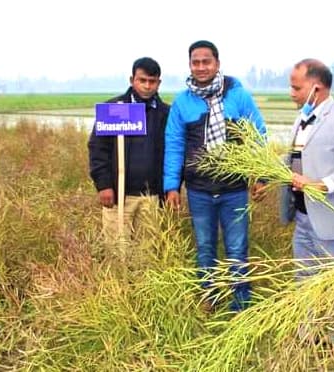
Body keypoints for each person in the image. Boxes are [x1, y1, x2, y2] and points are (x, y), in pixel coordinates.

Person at [163, 40, 266, 312]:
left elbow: (258, 136)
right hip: (199, 191)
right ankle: (209, 295)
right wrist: (172, 186)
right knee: (205, 246)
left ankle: (241, 301)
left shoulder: (238, 96)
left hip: (234, 189)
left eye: (206, 61)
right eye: (195, 62)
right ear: (190, 65)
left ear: (217, 64)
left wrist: (261, 177)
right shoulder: (183, 102)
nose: (201, 67)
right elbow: (174, 144)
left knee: (236, 248)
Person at [280, 58, 334, 277]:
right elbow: (295, 156)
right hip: (303, 216)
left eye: (296, 87)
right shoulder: (302, 118)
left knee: (328, 287)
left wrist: (320, 185)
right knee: (303, 283)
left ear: (316, 88)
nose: (291, 92)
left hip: (332, 220)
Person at [88, 57, 170, 247]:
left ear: (159, 83)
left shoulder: (166, 114)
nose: (147, 86)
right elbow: (98, 149)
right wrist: (103, 185)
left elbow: (173, 152)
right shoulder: (113, 109)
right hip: (119, 197)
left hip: (151, 197)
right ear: (132, 80)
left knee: (148, 254)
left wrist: (168, 190)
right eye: (142, 80)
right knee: (118, 251)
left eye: (152, 81)